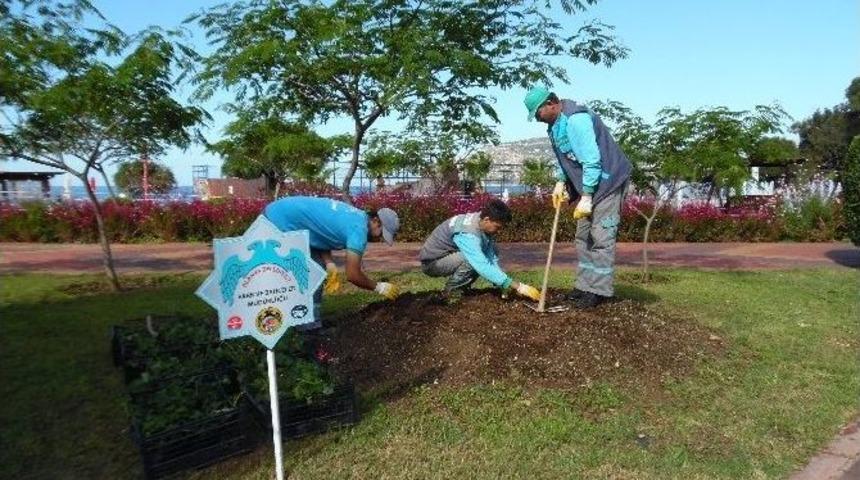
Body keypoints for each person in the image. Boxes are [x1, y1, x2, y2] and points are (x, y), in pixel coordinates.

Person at [524, 86, 632, 308]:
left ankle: (599, 291)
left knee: (601, 239)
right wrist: (561, 181)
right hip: (589, 186)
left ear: (550, 103)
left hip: (608, 182)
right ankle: (584, 286)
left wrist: (586, 196)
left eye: (537, 113)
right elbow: (564, 158)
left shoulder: (576, 120)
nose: (536, 118)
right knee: (583, 237)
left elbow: (592, 161)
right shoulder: (555, 126)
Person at [264, 196, 401, 329]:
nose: (379, 239)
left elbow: (321, 233)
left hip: (280, 214)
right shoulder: (359, 230)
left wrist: (329, 262)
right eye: (381, 233)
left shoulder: (356, 216)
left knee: (318, 269)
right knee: (307, 274)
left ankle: (310, 321)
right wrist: (379, 287)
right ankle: (303, 326)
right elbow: (353, 275)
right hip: (279, 222)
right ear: (376, 220)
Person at [419, 198, 541, 303]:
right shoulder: (468, 234)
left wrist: (502, 283)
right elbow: (481, 264)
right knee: (471, 260)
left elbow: (491, 257)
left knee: (486, 253)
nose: (498, 231)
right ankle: (450, 294)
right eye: (497, 227)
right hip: (433, 263)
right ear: (487, 219)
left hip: (449, 256)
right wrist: (518, 286)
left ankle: (461, 289)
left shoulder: (480, 222)